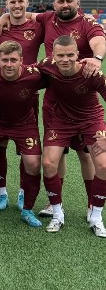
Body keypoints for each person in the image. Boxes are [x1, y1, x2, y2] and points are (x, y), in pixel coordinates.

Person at [0, 0, 106, 218]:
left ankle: (90, 205)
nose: (65, 5)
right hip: (54, 101)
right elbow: (24, 13)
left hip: (81, 99)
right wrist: (5, 15)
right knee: (57, 154)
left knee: (85, 153)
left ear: (77, 3)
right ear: (54, 5)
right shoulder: (48, 18)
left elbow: (99, 41)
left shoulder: (87, 21)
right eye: (60, 2)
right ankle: (55, 203)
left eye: (69, 1)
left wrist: (96, 58)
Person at [0, 41, 45, 228]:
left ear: (21, 60)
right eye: (4, 60)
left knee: (34, 163)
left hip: (24, 123)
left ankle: (27, 209)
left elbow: (60, 78)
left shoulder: (35, 75)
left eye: (13, 60)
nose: (9, 64)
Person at [38, 35, 106, 237]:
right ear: (53, 55)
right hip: (61, 120)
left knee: (103, 165)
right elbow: (24, 74)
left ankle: (96, 217)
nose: (65, 59)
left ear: (77, 55)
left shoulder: (91, 73)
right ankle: (57, 214)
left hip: (91, 120)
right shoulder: (46, 66)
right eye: (60, 55)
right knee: (48, 163)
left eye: (70, 55)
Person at [0, 0, 44, 211]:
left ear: (27, 2)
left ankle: (23, 193)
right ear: (7, 3)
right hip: (0, 94)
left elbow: (52, 19)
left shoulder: (38, 27)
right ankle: (1, 194)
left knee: (26, 149)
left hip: (28, 95)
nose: (16, 6)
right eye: (12, 2)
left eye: (20, 1)